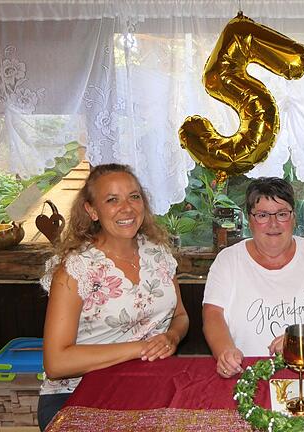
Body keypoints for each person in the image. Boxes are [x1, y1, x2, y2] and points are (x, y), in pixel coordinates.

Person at [37, 164, 189, 430]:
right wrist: (140, 349)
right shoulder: (75, 269)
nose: (127, 208)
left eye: (134, 196)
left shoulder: (159, 253)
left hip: (148, 384)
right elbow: (56, 363)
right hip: (75, 394)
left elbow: (181, 316)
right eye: (112, 200)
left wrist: (171, 337)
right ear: (92, 210)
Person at [203, 177, 304, 378]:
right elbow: (213, 315)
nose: (273, 224)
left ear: (293, 218)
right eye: (263, 215)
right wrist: (224, 351)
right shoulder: (228, 260)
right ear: (250, 220)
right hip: (248, 377)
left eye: (282, 214)